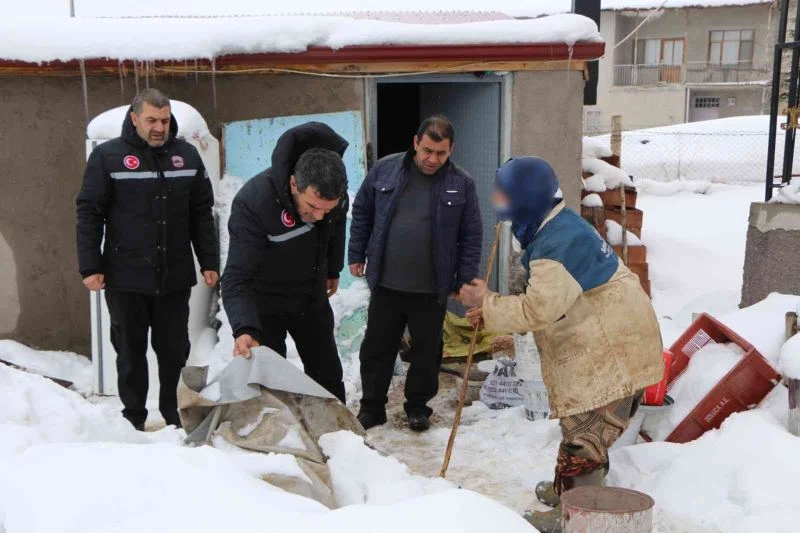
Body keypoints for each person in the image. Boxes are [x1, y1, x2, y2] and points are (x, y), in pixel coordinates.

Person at [458, 156, 663, 532]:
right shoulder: (559, 227)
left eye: (503, 195)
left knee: (585, 437)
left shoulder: (556, 245)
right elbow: (555, 301)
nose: (496, 202)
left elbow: (539, 309)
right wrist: (495, 315)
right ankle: (569, 492)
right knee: (581, 429)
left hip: (611, 349)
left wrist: (486, 303)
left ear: (525, 200)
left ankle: (575, 513)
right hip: (612, 335)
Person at [76, 89, 219, 431]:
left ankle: (173, 418)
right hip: (125, 277)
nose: (159, 127)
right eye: (152, 120)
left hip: (175, 277)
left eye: (165, 121)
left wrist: (209, 260)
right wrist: (90, 265)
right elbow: (89, 213)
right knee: (130, 354)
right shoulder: (108, 157)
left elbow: (201, 213)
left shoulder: (186, 156)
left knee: (174, 353)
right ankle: (133, 419)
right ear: (135, 118)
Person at [349, 115, 483, 432]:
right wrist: (355, 253)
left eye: (441, 153)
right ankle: (372, 408)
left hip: (430, 288)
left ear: (451, 151)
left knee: (426, 351)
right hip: (386, 282)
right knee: (377, 347)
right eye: (427, 150)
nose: (432, 159)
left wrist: (463, 280)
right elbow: (363, 212)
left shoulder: (462, 184)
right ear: (415, 143)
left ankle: (418, 407)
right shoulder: (385, 169)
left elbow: (471, 235)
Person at [221, 122, 349, 403]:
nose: (318, 215)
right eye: (312, 207)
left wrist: (332, 268)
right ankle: (281, 440)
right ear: (294, 183)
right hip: (266, 302)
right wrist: (244, 328)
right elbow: (236, 277)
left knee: (326, 374)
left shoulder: (334, 199)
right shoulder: (254, 203)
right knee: (271, 383)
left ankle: (338, 435)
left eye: (326, 209)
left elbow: (335, 230)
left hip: (310, 297)